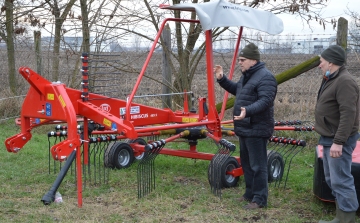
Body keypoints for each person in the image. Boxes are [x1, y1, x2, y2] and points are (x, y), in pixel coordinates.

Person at [213, 42, 277, 210]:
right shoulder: (247, 76)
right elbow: (239, 90)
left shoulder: (266, 77)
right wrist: (222, 79)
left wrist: (247, 111)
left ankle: (260, 198)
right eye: (240, 59)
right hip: (245, 127)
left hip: (257, 128)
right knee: (247, 164)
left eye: (243, 59)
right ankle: (249, 193)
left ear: (253, 60)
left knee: (258, 165)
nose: (240, 62)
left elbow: (265, 101)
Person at [316, 45, 359, 223]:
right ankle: (340, 216)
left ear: (331, 62)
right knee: (331, 178)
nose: (319, 65)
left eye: (321, 61)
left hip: (338, 140)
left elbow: (349, 114)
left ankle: (346, 220)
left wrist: (339, 141)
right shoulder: (330, 78)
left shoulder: (345, 82)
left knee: (341, 180)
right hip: (329, 137)